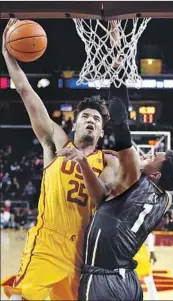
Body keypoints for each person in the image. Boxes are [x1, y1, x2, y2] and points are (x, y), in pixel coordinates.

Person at [1, 19, 119, 301]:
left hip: (81, 254)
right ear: (74, 125)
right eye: (85, 117)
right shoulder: (55, 143)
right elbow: (25, 91)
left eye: (96, 120)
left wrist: (81, 161)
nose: (90, 121)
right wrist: (8, 54)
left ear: (102, 131)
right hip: (46, 245)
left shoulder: (109, 161)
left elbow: (102, 196)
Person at [78, 84, 173, 300]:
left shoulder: (132, 177)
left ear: (156, 175)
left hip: (102, 280)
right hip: (129, 282)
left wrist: (117, 78)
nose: (147, 156)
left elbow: (119, 118)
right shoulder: (166, 199)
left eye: (152, 158)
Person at [134, 233, 159, 300]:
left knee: (129, 283)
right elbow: (150, 235)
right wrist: (152, 251)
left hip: (129, 256)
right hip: (140, 255)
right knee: (149, 282)